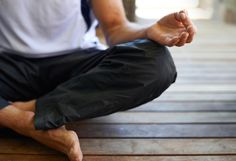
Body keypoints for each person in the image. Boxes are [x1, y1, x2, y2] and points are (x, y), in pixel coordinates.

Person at [0, 0, 197, 161]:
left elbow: (116, 28)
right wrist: (21, 123)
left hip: (77, 64)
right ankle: (27, 119)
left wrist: (148, 32)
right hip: (8, 65)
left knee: (157, 63)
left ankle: (16, 112)